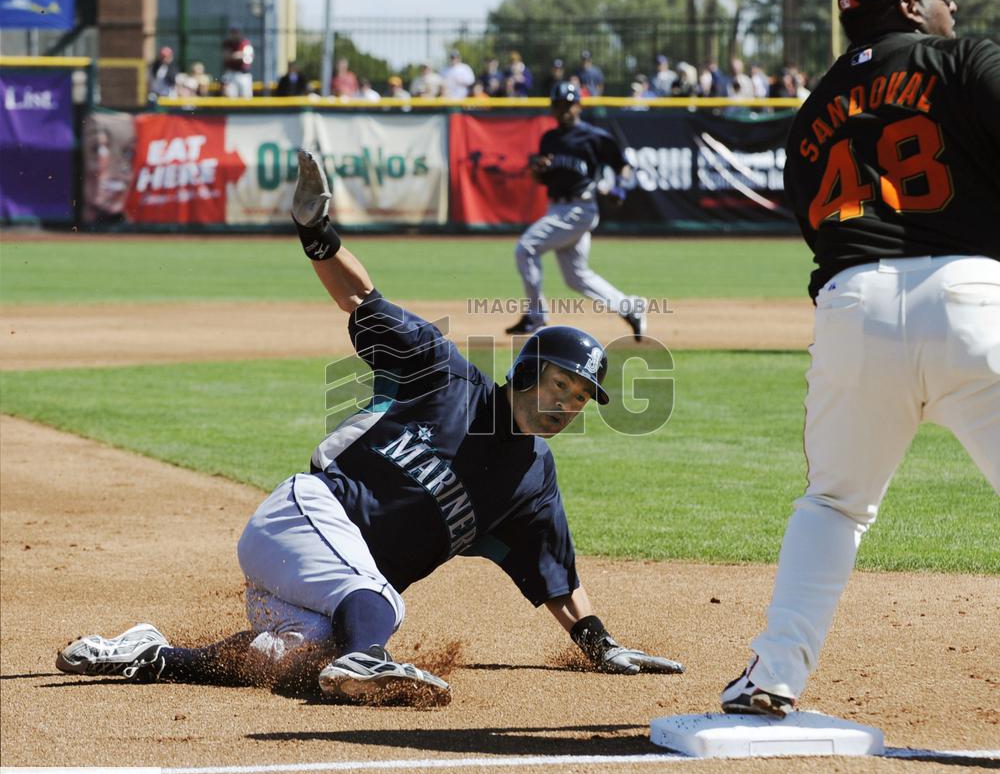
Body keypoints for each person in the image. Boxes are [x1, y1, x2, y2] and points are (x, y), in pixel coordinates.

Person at [54, 151, 683, 702]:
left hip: (330, 588)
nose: (568, 405)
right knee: (379, 605)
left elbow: (557, 580)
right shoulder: (445, 376)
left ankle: (152, 655)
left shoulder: (533, 479)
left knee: (297, 657)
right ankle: (370, 657)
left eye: (580, 400)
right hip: (303, 518)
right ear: (529, 372)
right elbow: (364, 301)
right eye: (562, 386)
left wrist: (601, 647)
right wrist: (316, 232)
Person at [720, 0, 999, 718]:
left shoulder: (812, 113)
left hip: (853, 305)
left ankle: (773, 677)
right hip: (973, 296)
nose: (954, 5)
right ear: (910, 6)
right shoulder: (966, 60)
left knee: (835, 505)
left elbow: (823, 230)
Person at [506, 81, 648, 341]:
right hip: (557, 207)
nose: (563, 110)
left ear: (578, 105)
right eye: (558, 105)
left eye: (568, 105)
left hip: (579, 208)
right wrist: (539, 169)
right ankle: (630, 308)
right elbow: (541, 179)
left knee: (526, 248)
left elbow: (623, 166)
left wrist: (621, 189)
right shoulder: (549, 138)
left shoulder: (594, 137)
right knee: (575, 277)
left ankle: (536, 316)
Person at [221, 25, 254, 98]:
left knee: (246, 98)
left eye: (236, 32)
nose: (234, 34)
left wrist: (235, 55)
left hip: (243, 74)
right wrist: (238, 55)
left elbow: (247, 59)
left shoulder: (245, 43)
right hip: (231, 73)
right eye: (233, 32)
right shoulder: (227, 43)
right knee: (230, 98)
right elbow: (227, 57)